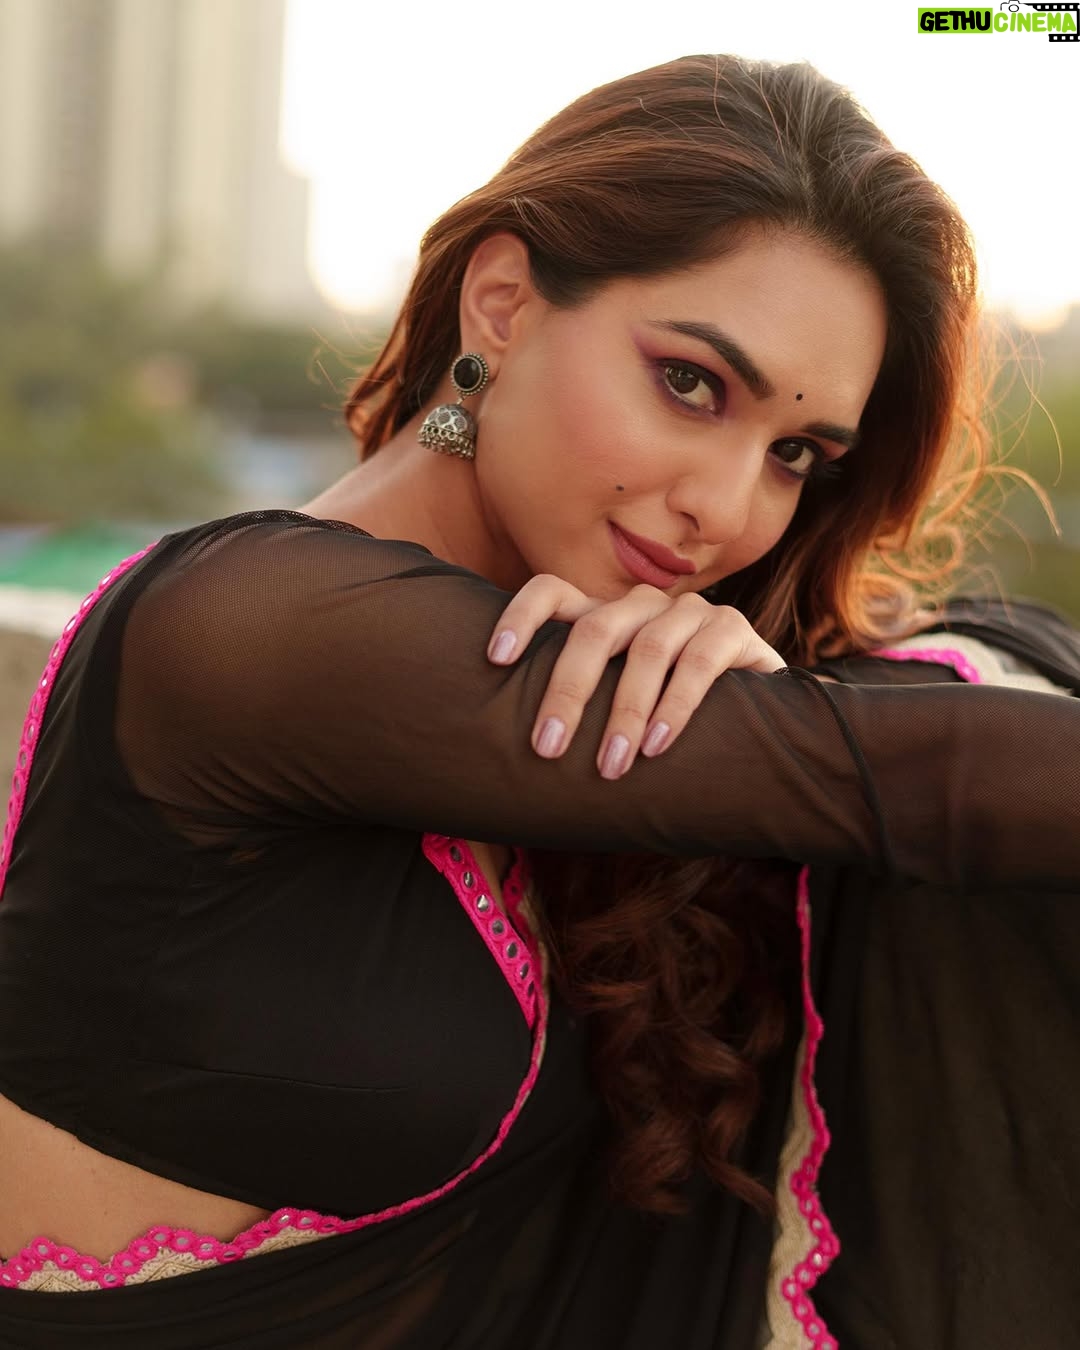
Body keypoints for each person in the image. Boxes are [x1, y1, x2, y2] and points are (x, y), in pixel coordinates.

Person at [0, 52, 1077, 1350]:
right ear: (503, 304)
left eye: (794, 455)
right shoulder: (250, 627)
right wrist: (782, 728)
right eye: (691, 382)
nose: (727, 509)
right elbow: (922, 778)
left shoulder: (582, 664)